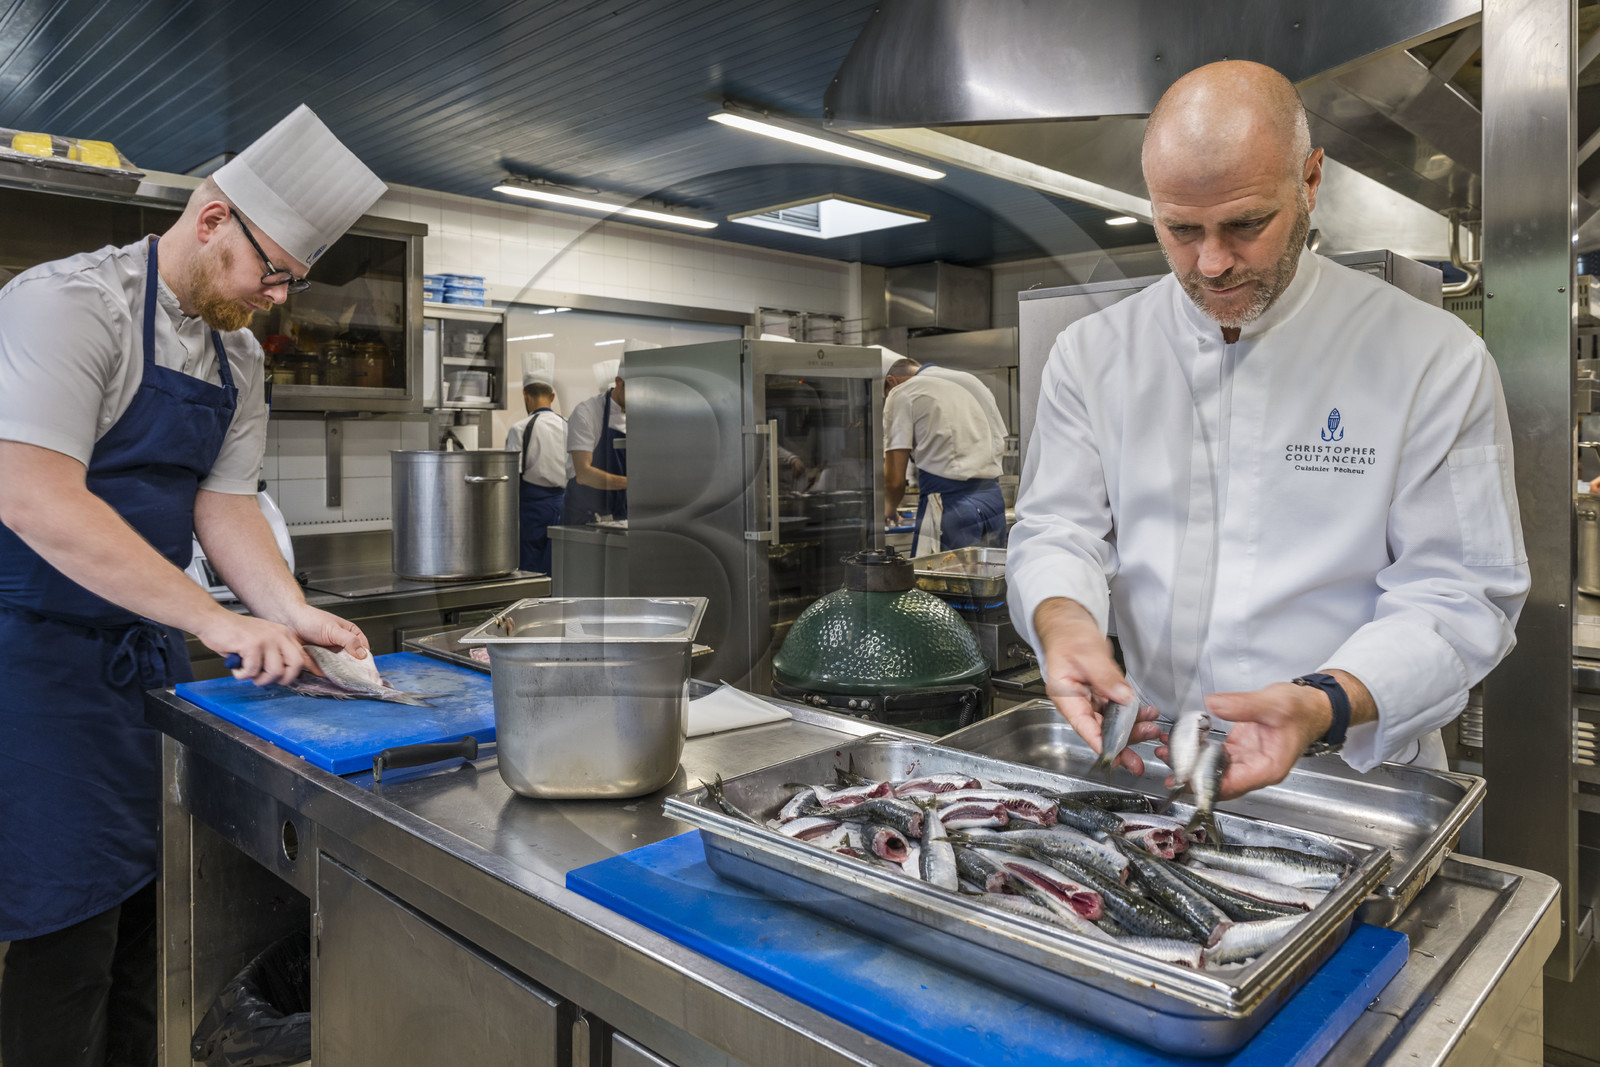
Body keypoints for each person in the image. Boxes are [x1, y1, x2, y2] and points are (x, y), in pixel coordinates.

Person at [1007, 61, 1529, 799]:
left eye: (1246, 224)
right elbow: (1057, 529)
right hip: (1166, 765)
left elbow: (1460, 594)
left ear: (1311, 181)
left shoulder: (1431, 358)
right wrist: (1064, 621)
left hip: (1358, 775)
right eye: (1181, 229)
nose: (1213, 263)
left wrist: (1325, 700)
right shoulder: (1095, 354)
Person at [0, 104, 386, 1066]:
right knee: (66, 928)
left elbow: (226, 505)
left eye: (291, 281)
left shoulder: (238, 353)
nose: (277, 299)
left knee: (151, 917)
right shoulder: (66, 304)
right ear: (213, 219)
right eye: (273, 272)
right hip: (32, 660)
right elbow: (35, 495)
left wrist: (288, 609)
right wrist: (214, 618)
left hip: (144, 661)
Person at [883, 356, 1006, 555]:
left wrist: (889, 506)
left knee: (938, 582)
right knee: (990, 578)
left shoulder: (901, 393)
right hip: (993, 503)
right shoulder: (972, 382)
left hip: (949, 506)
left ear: (891, 381)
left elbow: (894, 480)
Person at [878, 346, 1009, 475]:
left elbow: (894, 478)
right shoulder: (970, 379)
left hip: (947, 491)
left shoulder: (906, 391)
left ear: (892, 381)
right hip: (990, 489)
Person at [506, 352, 566, 573]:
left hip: (531, 510)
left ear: (525, 395)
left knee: (530, 571)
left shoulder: (519, 429)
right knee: (557, 568)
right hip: (563, 507)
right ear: (552, 396)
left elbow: (511, 479)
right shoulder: (567, 424)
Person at [562, 356, 627, 525]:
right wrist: (633, 483)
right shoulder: (587, 413)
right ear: (619, 382)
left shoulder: (644, 414)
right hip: (585, 516)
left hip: (623, 514)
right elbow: (584, 474)